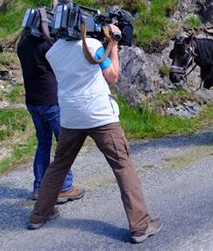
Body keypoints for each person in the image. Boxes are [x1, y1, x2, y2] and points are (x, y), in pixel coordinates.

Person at [27, 24, 163, 244]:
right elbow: (112, 75)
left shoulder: (51, 52)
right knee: (122, 165)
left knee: (59, 165)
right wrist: (114, 44)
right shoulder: (93, 46)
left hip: (70, 116)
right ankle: (140, 226)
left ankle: (39, 215)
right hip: (100, 115)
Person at [17, 15, 85, 204]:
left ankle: (39, 187)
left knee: (43, 144)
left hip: (33, 103)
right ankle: (65, 187)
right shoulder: (46, 47)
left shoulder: (22, 45)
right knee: (63, 145)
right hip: (51, 102)